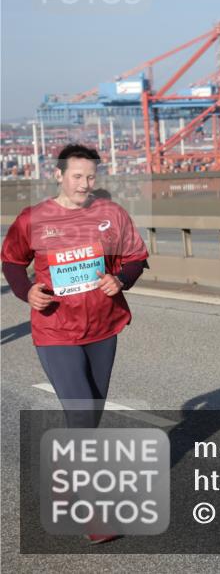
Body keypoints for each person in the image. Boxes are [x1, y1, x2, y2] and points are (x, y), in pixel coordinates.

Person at [1, 143, 148, 545]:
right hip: (56, 330)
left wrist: (122, 279)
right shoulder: (33, 218)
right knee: (82, 411)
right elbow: (12, 262)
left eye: (91, 177)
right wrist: (26, 291)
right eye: (77, 176)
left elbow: (135, 258)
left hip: (103, 327)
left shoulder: (111, 214)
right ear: (59, 175)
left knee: (90, 415)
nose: (84, 184)